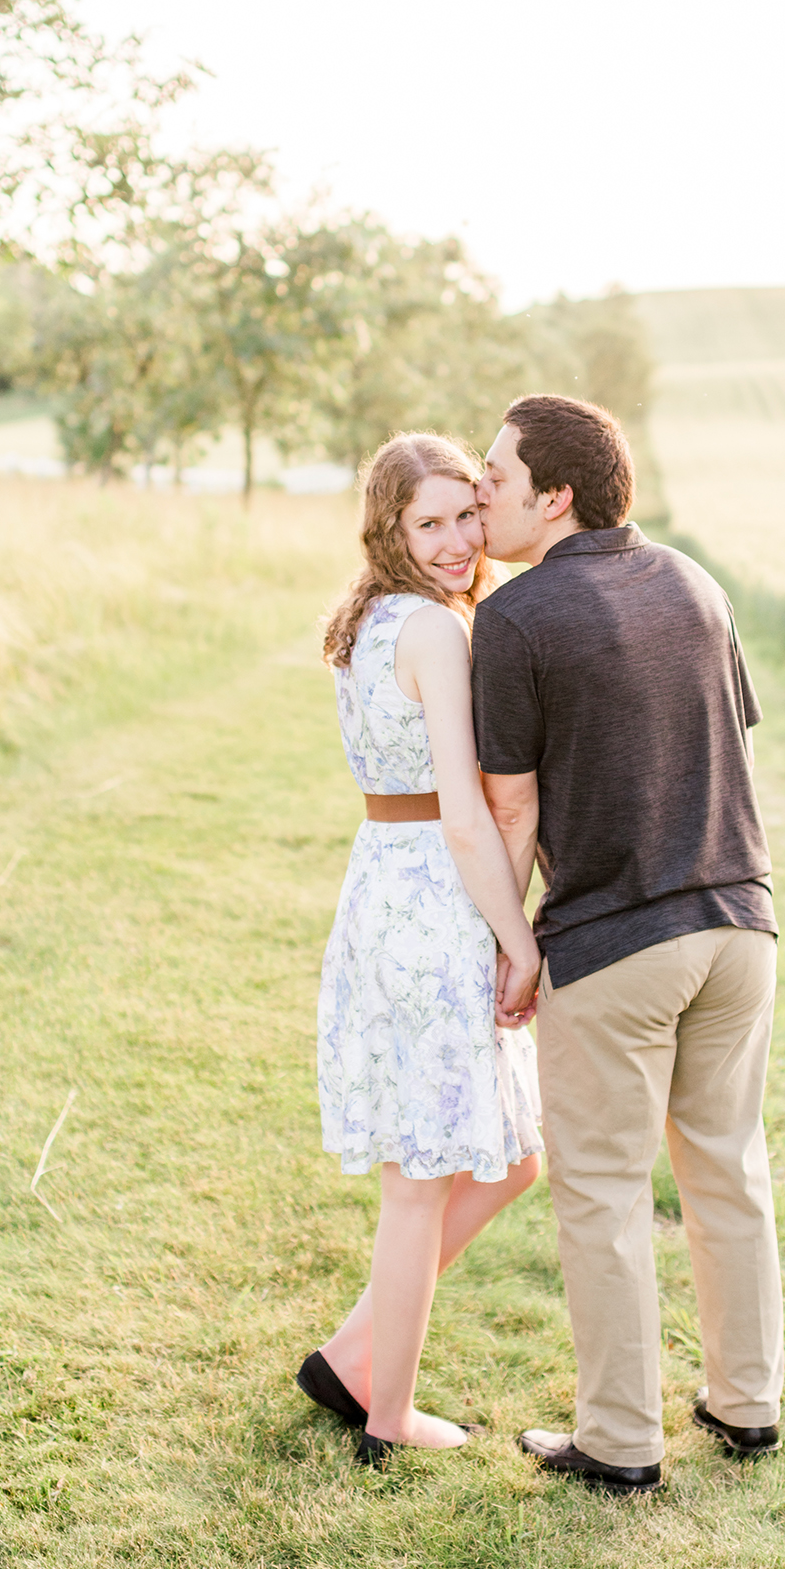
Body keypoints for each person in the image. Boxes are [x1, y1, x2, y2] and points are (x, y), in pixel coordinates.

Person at [472, 393, 783, 1496]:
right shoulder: (695, 581)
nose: (480, 490)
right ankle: (746, 1406)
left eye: (497, 474)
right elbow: (722, 740)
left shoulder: (515, 619)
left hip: (617, 943)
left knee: (601, 1188)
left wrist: (510, 946)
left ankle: (618, 1441)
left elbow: (511, 813)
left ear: (554, 496)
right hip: (740, 929)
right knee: (726, 1168)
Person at [297, 432, 544, 1469]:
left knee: (511, 1155)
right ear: (392, 530)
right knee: (420, 1176)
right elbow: (461, 812)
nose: (453, 541)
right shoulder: (436, 633)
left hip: (383, 889)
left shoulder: (370, 617)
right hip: (432, 901)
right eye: (427, 523)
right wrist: (517, 937)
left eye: (463, 515)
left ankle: (354, 1356)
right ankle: (386, 1415)